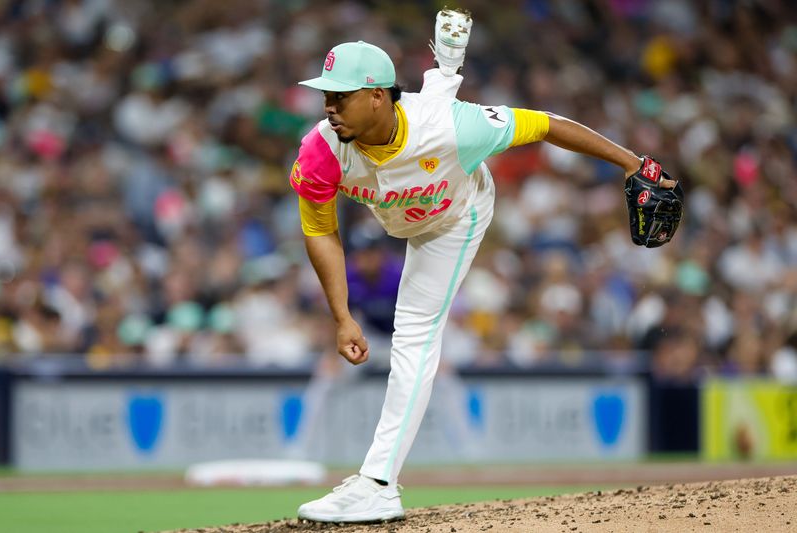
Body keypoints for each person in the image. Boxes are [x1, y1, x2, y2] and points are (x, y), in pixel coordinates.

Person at [290, 8, 677, 523]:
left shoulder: (458, 128)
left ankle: (378, 483)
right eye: (326, 95)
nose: (329, 106)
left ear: (377, 94)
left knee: (414, 334)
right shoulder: (321, 149)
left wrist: (634, 163)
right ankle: (446, 67)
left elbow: (546, 125)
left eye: (340, 95)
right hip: (405, 205)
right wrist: (341, 315)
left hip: (456, 213)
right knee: (435, 109)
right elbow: (320, 230)